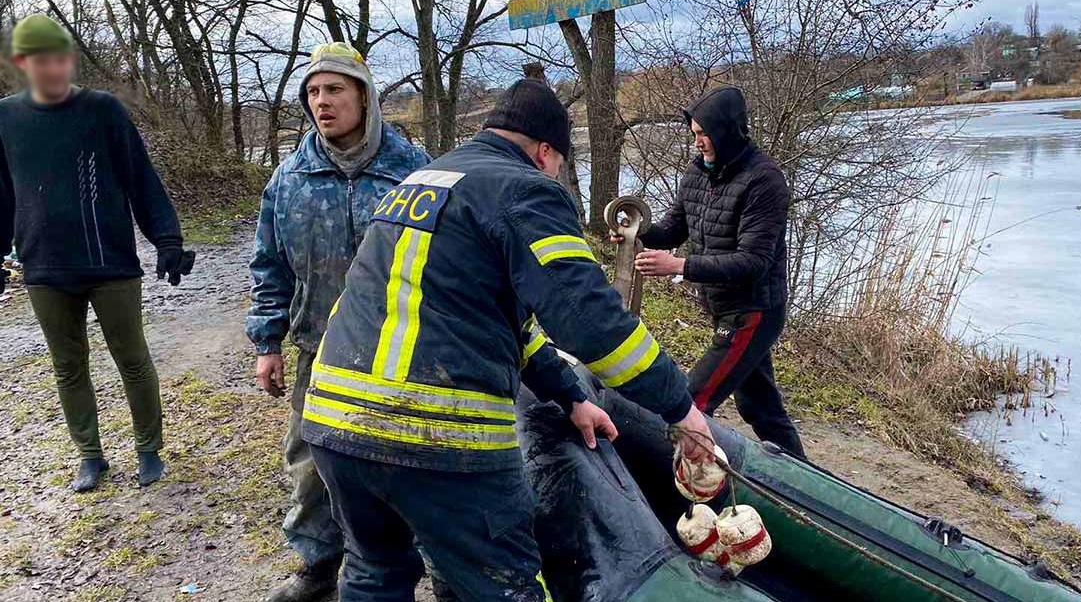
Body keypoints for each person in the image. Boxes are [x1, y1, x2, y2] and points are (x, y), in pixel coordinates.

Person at [302, 78, 715, 602]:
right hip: (435, 434)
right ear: (546, 151)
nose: (557, 174)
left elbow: (493, 320)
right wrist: (681, 410)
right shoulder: (526, 189)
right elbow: (590, 321)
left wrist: (570, 396)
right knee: (507, 583)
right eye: (560, 164)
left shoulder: (424, 179)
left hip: (336, 426)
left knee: (374, 572)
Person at [246, 42, 431, 602]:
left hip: (398, 348)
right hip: (319, 346)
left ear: (365, 97)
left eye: (334, 89)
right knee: (310, 458)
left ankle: (431, 562)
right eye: (312, 92)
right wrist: (267, 340)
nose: (321, 102)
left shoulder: (414, 170)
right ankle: (317, 564)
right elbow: (269, 263)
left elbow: (444, 262)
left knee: (411, 458)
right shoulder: (290, 178)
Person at [0, 14, 193, 492]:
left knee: (131, 358)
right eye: (43, 59)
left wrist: (166, 240)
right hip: (44, 265)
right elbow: (3, 195)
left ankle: (148, 449)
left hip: (110, 263)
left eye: (61, 57)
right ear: (24, 63)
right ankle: (91, 455)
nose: (54, 68)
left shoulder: (102, 110)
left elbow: (140, 178)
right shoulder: (5, 118)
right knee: (68, 366)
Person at [613, 86, 804, 457]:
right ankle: (812, 489)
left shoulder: (765, 180)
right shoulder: (698, 172)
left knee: (691, 401)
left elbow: (753, 261)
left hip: (753, 311)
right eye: (694, 134)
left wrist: (680, 266)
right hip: (723, 304)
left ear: (727, 131)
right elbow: (673, 228)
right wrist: (636, 230)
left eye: (704, 134)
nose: (698, 142)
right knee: (760, 408)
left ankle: (683, 487)